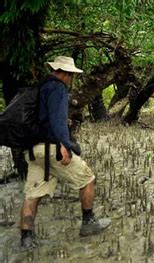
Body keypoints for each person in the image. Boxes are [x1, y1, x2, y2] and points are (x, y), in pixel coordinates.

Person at [20, 56, 111, 249]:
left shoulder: (39, 88)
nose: (71, 80)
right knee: (87, 179)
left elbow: (45, 119)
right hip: (51, 149)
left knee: (32, 194)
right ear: (65, 73)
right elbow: (57, 121)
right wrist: (64, 145)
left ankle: (26, 238)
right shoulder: (58, 88)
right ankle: (89, 223)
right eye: (71, 76)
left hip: (33, 151)